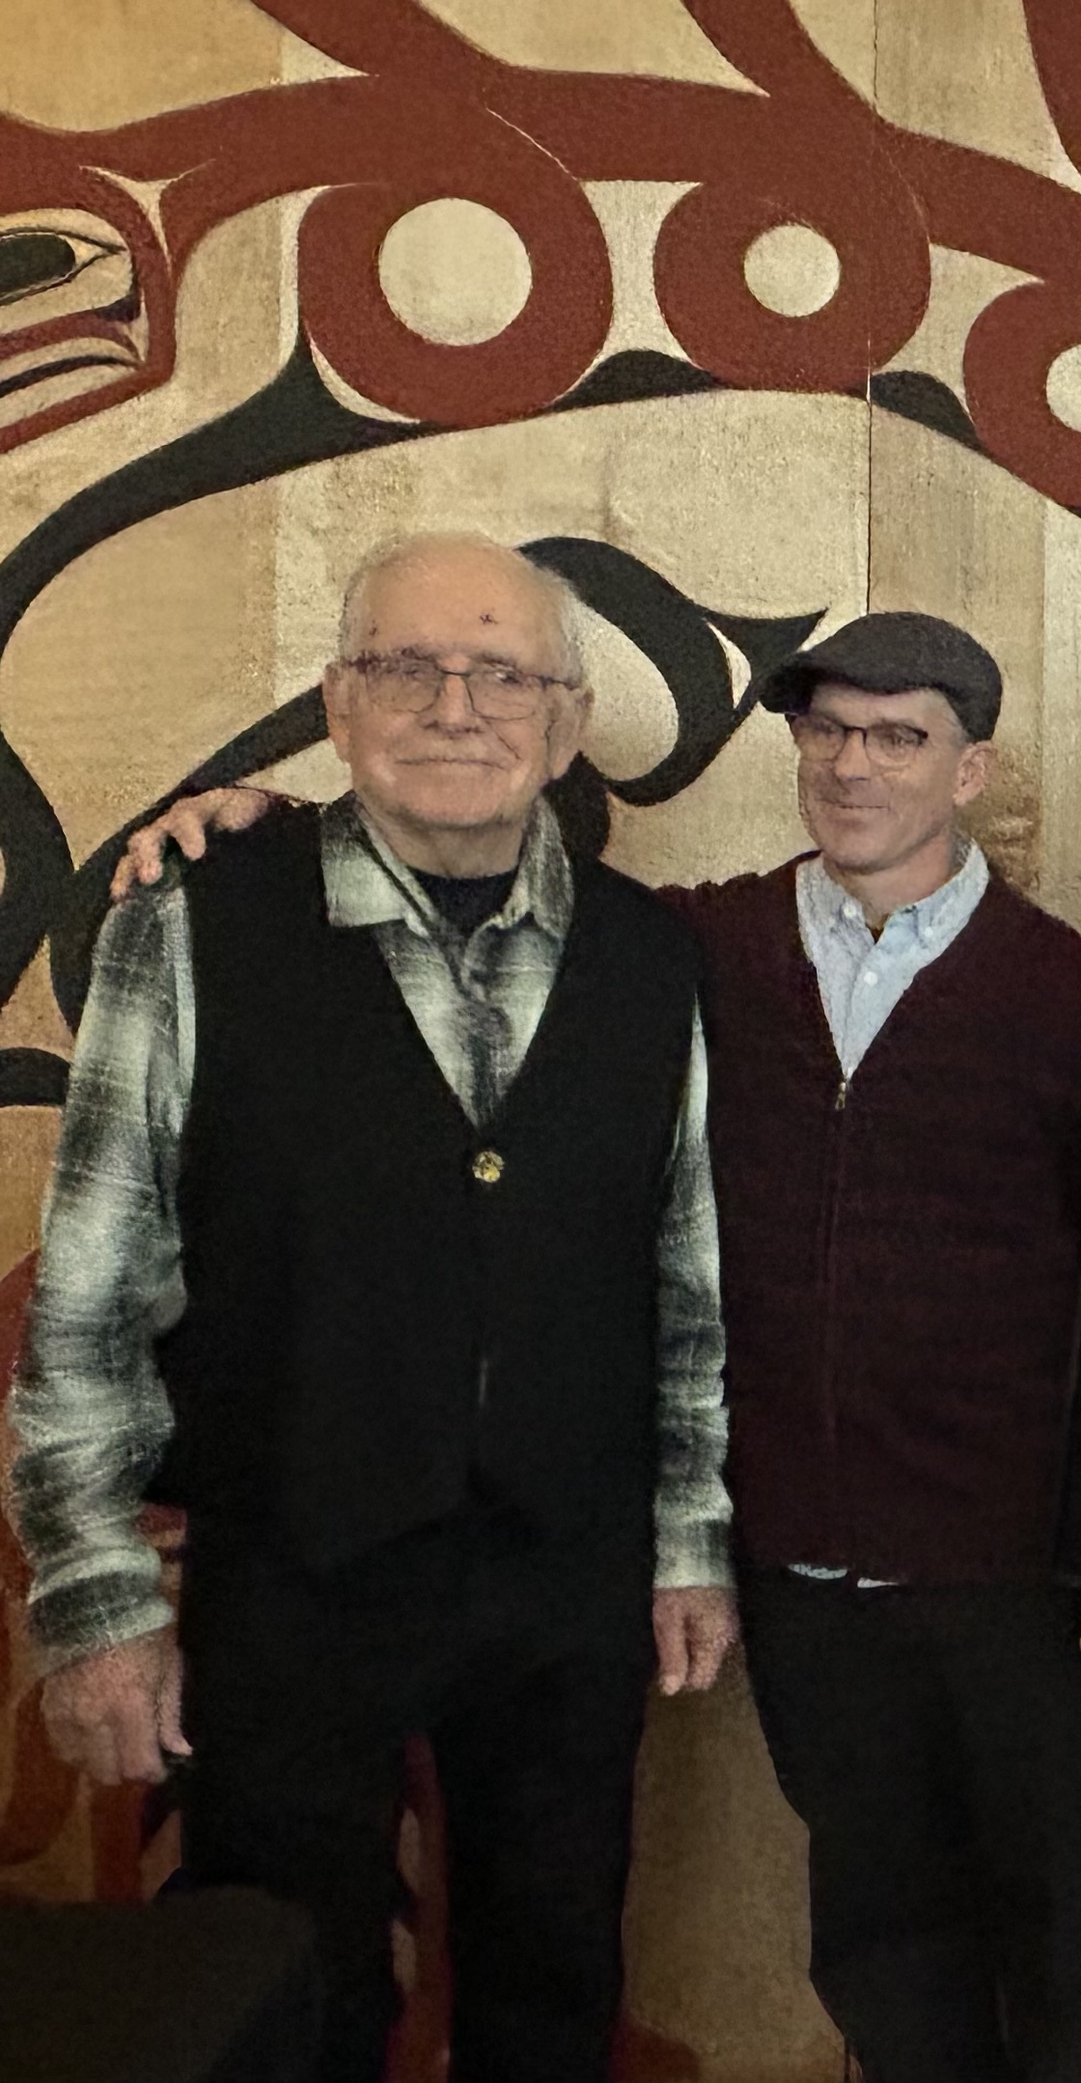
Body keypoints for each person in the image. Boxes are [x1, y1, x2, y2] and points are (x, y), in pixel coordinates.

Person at [117, 609, 1081, 2083]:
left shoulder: (1076, 994)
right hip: (799, 1564)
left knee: (1063, 1929)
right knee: (873, 1932)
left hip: (1019, 1564)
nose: (852, 764)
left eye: (898, 735)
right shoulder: (696, 948)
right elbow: (456, 868)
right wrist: (275, 823)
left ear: (972, 766)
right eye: (827, 729)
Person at [9, 534, 737, 2083]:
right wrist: (96, 1597)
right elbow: (92, 1283)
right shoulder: (198, 916)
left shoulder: (650, 956)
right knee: (283, 1982)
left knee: (555, 1974)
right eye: (408, 665)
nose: (455, 704)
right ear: (341, 705)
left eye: (504, 673)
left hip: (567, 1576)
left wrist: (687, 1541)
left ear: (565, 716)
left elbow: (684, 1280)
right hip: (292, 1568)